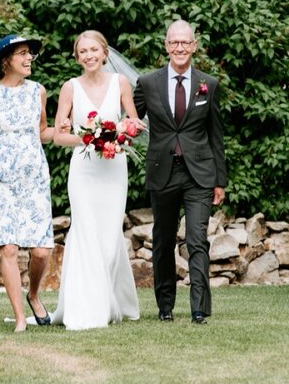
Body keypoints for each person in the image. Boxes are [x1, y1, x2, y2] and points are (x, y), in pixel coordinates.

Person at [132, 20, 227, 325]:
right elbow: (130, 118)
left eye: (185, 43)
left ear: (194, 46)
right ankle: (165, 306)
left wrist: (219, 181)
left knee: (197, 239)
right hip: (163, 172)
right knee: (162, 240)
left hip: (199, 174)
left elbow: (216, 136)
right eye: (174, 43)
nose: (180, 48)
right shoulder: (148, 83)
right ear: (166, 46)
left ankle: (198, 308)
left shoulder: (208, 84)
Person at [50, 30, 142, 330]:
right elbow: (58, 136)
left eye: (93, 50)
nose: (89, 56)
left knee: (109, 237)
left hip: (114, 169)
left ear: (104, 53)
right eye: (83, 52)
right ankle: (89, 308)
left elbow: (133, 124)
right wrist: (87, 137)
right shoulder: (69, 88)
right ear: (77, 57)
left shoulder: (121, 83)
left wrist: (119, 132)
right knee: (85, 233)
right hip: (84, 171)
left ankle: (113, 301)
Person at [0, 34, 55, 333]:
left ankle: (33, 294)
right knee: (8, 248)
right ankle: (20, 318)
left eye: (30, 53)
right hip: (0, 178)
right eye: (22, 53)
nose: (29, 58)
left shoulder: (38, 92)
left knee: (41, 251)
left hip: (34, 175)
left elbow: (42, 131)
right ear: (6, 60)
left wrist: (72, 131)